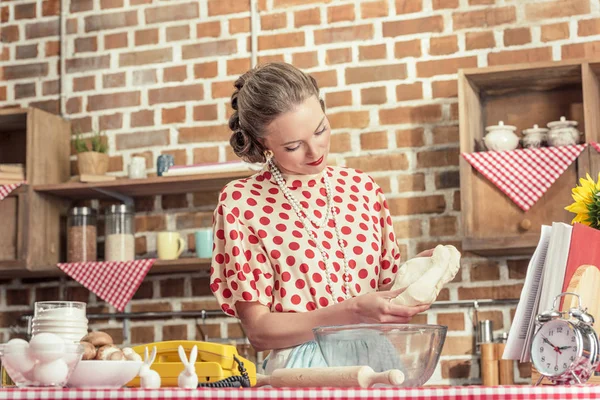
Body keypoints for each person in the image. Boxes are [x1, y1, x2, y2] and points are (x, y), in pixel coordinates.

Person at [209, 62, 432, 373]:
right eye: (293, 145)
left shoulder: (362, 188)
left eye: (320, 129)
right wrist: (351, 311)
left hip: (378, 365)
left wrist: (419, 273)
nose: (314, 151)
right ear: (263, 144)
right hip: (301, 372)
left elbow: (384, 301)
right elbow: (259, 332)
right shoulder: (241, 202)